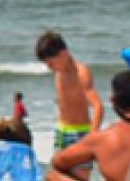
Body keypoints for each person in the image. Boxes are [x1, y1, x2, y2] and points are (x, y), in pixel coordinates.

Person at [36, 30, 103, 161]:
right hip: (61, 131)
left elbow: (98, 106)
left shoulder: (81, 74)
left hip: (80, 132)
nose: (49, 67)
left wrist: (92, 136)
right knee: (57, 174)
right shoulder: (59, 72)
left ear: (64, 54)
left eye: (51, 63)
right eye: (46, 64)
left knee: (78, 178)